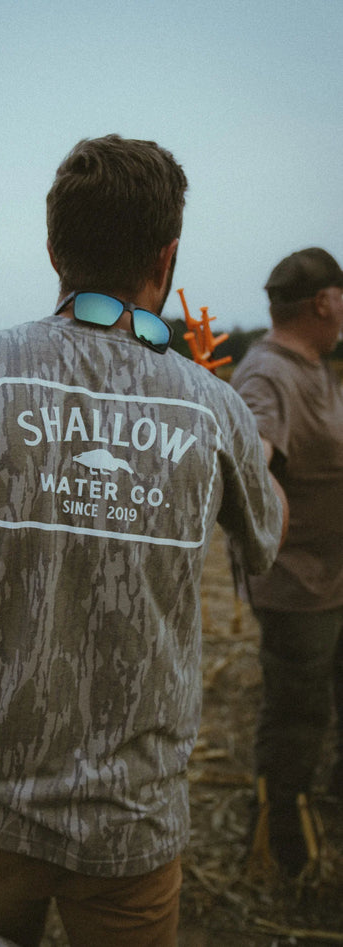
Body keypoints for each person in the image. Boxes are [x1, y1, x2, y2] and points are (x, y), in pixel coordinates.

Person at [0, 135, 286, 947]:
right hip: (131, 824)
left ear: (53, 248)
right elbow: (266, 534)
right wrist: (246, 443)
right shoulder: (211, 405)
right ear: (167, 256)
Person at [231, 247, 343, 877]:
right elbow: (253, 463)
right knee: (298, 715)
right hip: (300, 586)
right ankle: (281, 847)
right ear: (324, 301)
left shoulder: (315, 365)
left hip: (335, 577)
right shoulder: (267, 374)